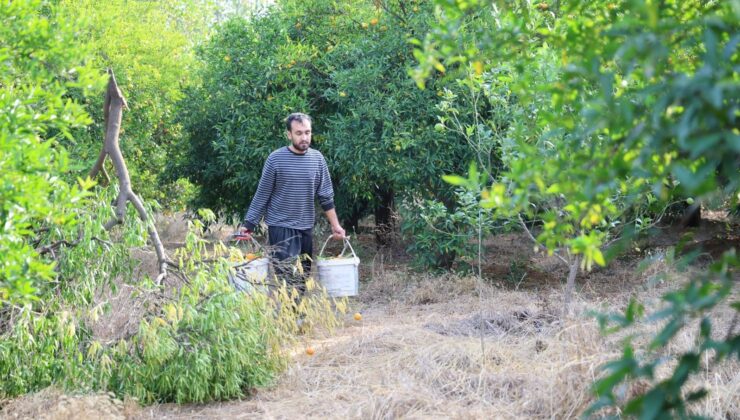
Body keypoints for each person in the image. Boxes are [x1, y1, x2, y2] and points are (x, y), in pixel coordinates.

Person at [238, 112, 345, 294]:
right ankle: (292, 318)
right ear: (289, 134)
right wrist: (248, 225)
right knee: (288, 275)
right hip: (280, 227)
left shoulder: (317, 159)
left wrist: (336, 226)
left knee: (303, 276)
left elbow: (326, 197)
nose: (304, 137)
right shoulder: (275, 159)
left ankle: (295, 317)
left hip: (305, 227)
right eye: (299, 133)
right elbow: (262, 195)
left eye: (307, 132)